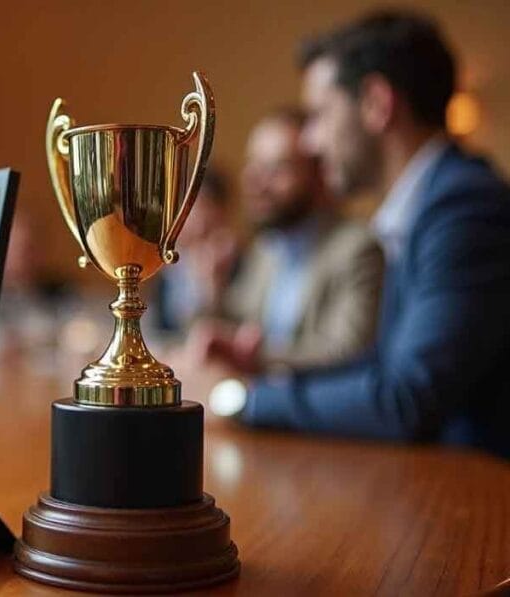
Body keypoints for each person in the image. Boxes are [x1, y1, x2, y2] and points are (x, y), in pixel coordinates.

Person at [204, 11, 510, 458]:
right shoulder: (427, 207)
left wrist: (236, 399)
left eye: (320, 115)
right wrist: (264, 363)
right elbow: (384, 367)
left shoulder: (464, 208)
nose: (310, 142)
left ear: (376, 104)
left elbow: (408, 398)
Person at [191, 108, 384, 371]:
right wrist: (214, 288)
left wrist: (260, 359)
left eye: (276, 168)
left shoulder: (357, 248)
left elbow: (348, 350)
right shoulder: (265, 249)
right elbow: (236, 326)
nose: (255, 181)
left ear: (319, 175)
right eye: (253, 165)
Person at [153, 167, 239, 333]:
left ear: (221, 211)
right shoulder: (169, 265)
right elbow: (159, 327)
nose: (195, 218)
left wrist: (212, 284)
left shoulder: (238, 264)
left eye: (202, 207)